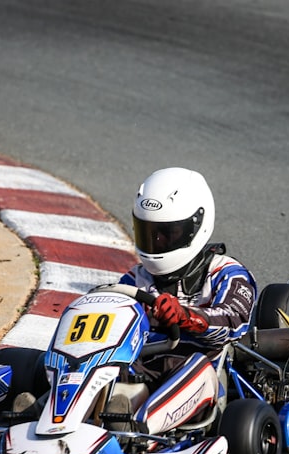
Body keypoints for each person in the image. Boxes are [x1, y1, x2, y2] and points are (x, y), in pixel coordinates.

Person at [109, 167, 257, 434]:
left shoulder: (227, 272)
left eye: (168, 233)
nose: (156, 240)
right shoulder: (134, 280)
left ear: (195, 226)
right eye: (149, 232)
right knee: (100, 366)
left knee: (195, 369)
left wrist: (187, 317)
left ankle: (138, 428)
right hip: (142, 365)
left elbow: (233, 321)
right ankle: (43, 413)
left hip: (200, 369)